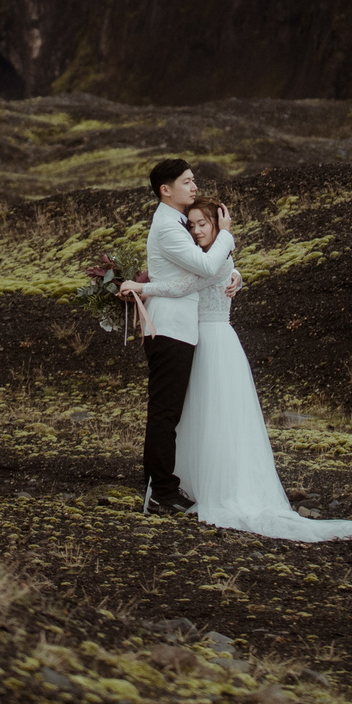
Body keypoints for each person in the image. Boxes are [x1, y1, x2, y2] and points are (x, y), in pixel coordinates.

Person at [160, 197, 352, 542]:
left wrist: (143, 285)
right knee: (201, 415)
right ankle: (196, 480)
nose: (195, 231)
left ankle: (222, 487)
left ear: (217, 222)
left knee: (220, 416)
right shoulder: (211, 257)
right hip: (201, 340)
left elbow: (192, 282)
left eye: (202, 224)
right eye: (191, 225)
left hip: (215, 342)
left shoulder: (216, 258)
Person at [118, 158, 236, 514]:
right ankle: (160, 492)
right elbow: (203, 266)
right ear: (165, 190)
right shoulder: (168, 227)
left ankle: (166, 486)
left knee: (170, 412)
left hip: (181, 328)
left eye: (194, 180)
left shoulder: (177, 222)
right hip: (169, 328)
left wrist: (235, 273)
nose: (194, 186)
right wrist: (227, 235)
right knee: (165, 413)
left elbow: (203, 271)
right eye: (187, 181)